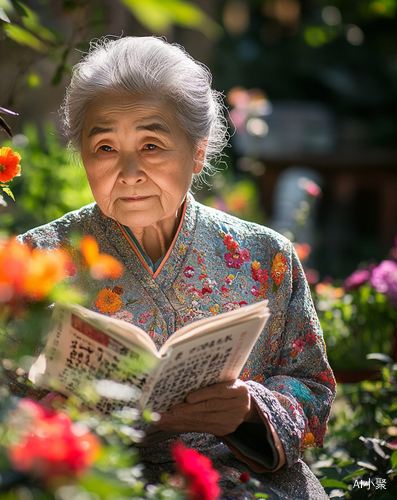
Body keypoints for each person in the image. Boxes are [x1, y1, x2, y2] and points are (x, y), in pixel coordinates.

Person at [18, 36, 336, 499]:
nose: (128, 172)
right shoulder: (36, 260)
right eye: (105, 147)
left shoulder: (267, 256)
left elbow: (314, 390)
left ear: (198, 152)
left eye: (151, 145)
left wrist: (250, 411)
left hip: (237, 479)